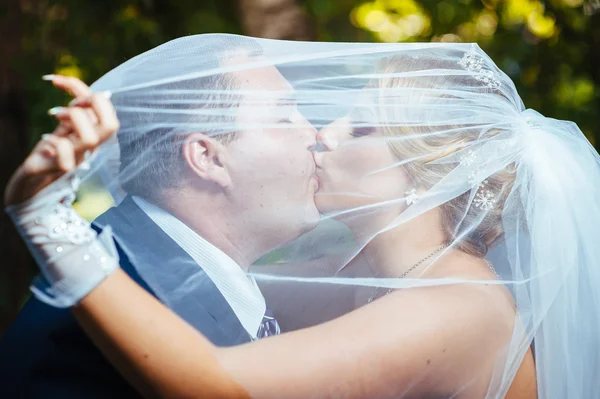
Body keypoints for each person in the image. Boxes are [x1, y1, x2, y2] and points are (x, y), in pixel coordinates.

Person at [6, 36, 600, 399]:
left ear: (426, 172)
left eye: (361, 127)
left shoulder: (456, 305)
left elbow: (216, 385)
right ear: (205, 155)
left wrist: (48, 221)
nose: (323, 134)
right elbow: (208, 276)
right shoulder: (357, 277)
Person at [0, 35, 318, 398]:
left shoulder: (143, 263)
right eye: (285, 116)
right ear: (208, 158)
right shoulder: (112, 311)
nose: (314, 134)